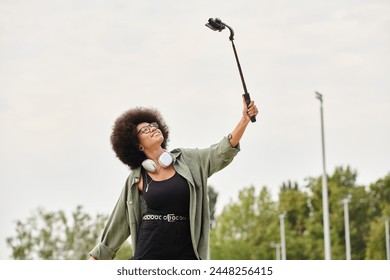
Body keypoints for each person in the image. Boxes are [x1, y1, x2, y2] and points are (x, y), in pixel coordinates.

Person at [89, 96, 258, 260]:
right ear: (137, 144)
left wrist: (244, 120)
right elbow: (120, 220)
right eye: (145, 130)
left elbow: (222, 151)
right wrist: (97, 257)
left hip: (186, 254)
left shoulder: (190, 160)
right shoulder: (136, 178)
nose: (153, 129)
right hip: (149, 254)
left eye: (153, 125)